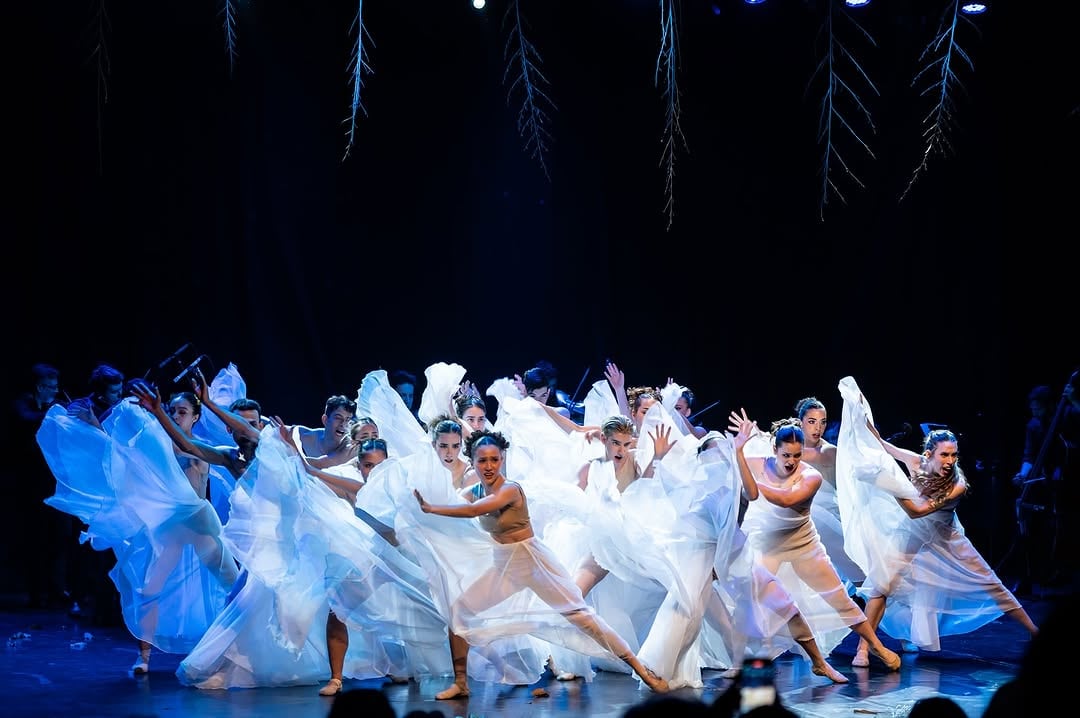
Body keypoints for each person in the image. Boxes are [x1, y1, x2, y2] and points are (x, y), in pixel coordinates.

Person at [413, 429, 670, 699]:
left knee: (581, 617)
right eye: (482, 460)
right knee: (458, 612)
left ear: (502, 459)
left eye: (494, 460)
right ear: (473, 462)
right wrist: (418, 505)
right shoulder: (474, 490)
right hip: (504, 566)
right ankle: (461, 683)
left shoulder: (510, 489)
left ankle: (641, 669)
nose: (489, 466)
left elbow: (474, 510)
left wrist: (432, 508)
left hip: (533, 563)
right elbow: (453, 501)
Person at [834, 376, 1038, 668]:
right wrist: (860, 412)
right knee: (882, 585)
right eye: (945, 454)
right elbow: (880, 444)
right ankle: (864, 650)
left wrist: (893, 488)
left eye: (954, 455)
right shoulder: (916, 462)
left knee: (991, 583)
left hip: (946, 537)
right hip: (911, 535)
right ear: (929, 454)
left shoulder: (957, 484)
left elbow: (918, 510)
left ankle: (1034, 632)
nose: (950, 460)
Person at [728, 408, 901, 670]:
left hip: (804, 547)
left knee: (839, 599)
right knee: (749, 601)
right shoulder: (759, 463)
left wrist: (750, 478)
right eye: (786, 455)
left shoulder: (811, 476)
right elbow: (734, 478)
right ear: (774, 450)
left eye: (797, 455)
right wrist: (739, 452)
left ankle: (876, 646)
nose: (791, 461)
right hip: (770, 545)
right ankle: (738, 661)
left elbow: (784, 499)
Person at [7, 363, 71, 609]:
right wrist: (55, 413)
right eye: (51, 387)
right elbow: (26, 421)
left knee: (60, 537)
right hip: (30, 483)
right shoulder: (22, 405)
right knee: (35, 538)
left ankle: (57, 588)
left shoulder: (53, 406)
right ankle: (36, 591)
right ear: (39, 387)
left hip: (55, 482)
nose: (55, 391)